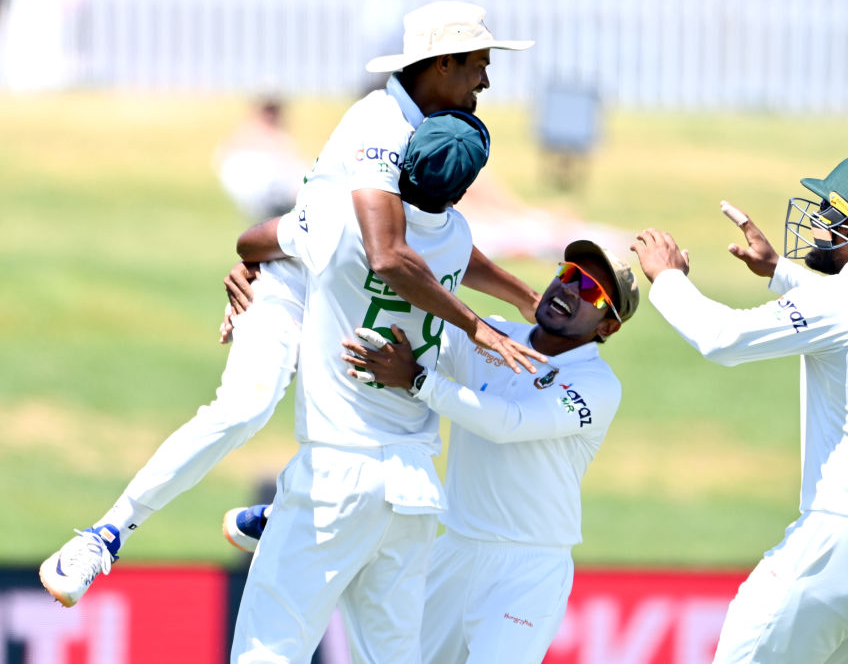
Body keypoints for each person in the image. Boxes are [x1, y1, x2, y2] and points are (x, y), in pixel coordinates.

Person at [39, 0, 539, 609]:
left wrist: (528, 298)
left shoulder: (431, 125)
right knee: (245, 408)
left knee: (382, 402)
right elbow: (386, 253)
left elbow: (441, 245)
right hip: (297, 279)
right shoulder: (379, 126)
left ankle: (295, 508)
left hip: (348, 286)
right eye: (479, 65)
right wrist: (477, 327)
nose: (486, 79)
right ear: (442, 65)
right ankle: (106, 534)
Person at [227, 239, 639, 664]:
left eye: (591, 291)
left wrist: (420, 381)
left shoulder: (597, 385)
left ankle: (299, 520)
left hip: (529, 568)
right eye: (568, 274)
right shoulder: (494, 334)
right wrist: (273, 279)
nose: (570, 289)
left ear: (607, 327)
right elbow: (407, 311)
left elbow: (509, 423)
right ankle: (310, 513)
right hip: (455, 549)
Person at [631, 151, 848, 663]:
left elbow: (721, 338)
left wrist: (669, 276)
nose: (818, 224)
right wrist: (781, 273)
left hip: (844, 545)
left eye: (833, 217)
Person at [228, 110, 489, 663]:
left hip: (337, 470)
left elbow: (249, 241)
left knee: (267, 647)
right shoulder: (457, 242)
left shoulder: (344, 219)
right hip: (415, 485)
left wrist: (253, 263)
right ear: (463, 188)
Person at [214, 93, 307, 220]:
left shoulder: (281, 138)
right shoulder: (247, 134)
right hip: (260, 187)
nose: (271, 114)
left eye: (274, 110)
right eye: (268, 110)